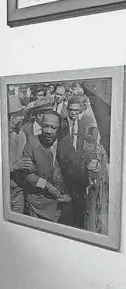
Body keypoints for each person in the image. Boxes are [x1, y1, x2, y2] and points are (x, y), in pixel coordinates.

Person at [22, 111, 71, 223]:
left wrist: (69, 194)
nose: (48, 131)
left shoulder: (65, 144)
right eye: (45, 126)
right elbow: (28, 175)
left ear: (59, 129)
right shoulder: (32, 143)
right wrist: (47, 186)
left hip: (63, 203)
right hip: (39, 204)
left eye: (53, 128)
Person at [58, 95, 98, 229]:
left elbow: (89, 147)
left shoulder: (85, 124)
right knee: (66, 209)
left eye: (76, 110)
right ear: (67, 109)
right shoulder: (61, 124)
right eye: (71, 109)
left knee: (80, 207)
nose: (73, 113)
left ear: (80, 109)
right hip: (64, 173)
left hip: (80, 174)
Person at [8, 96, 34, 213]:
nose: (22, 117)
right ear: (9, 117)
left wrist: (29, 165)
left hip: (18, 190)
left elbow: (24, 158)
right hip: (3, 190)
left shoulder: (21, 135)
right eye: (18, 114)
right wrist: (13, 166)